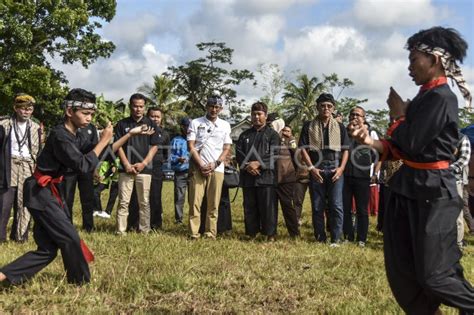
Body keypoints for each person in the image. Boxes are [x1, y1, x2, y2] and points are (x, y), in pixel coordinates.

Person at [349, 26, 474, 313]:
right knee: (403, 274)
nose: (409, 67)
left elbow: (414, 142)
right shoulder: (421, 98)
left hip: (435, 191)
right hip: (408, 186)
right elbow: (399, 146)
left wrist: (397, 116)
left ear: (435, 60)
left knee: (435, 276)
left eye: (414, 59)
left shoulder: (443, 97)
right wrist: (368, 140)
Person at [0, 88, 153, 285]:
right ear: (69, 112)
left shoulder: (76, 135)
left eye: (91, 114)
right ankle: (80, 282)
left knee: (47, 250)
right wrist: (104, 139)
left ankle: (4, 276)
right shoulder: (59, 135)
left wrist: (128, 135)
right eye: (85, 113)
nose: (89, 118)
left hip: (50, 193)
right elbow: (83, 166)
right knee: (70, 238)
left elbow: (103, 153)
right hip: (40, 192)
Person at [298, 93, 349, 246]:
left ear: (333, 108)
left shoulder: (339, 126)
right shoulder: (309, 126)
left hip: (335, 168)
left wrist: (341, 169)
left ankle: (336, 238)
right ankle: (320, 237)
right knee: (317, 205)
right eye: (322, 105)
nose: (326, 108)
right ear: (317, 107)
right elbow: (303, 149)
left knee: (336, 205)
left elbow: (346, 149)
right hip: (317, 168)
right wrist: (311, 168)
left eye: (329, 106)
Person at [114, 93, 160, 235]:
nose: (138, 109)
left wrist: (144, 163)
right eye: (135, 106)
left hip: (144, 169)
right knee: (123, 201)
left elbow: (154, 146)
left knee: (144, 202)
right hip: (125, 168)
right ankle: (120, 231)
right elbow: (118, 146)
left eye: (141, 106)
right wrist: (127, 164)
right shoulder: (122, 124)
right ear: (130, 106)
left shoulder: (150, 124)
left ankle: (144, 230)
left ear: (144, 107)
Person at [187, 95, 232, 239]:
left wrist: (215, 163)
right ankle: (194, 232)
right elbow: (191, 146)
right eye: (211, 106)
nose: (214, 109)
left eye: (217, 107)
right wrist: (201, 164)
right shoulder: (195, 122)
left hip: (217, 169)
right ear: (206, 106)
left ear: (221, 109)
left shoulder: (225, 125)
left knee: (213, 203)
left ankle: (210, 232)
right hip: (198, 167)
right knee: (195, 202)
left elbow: (226, 148)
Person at [0, 94, 42, 243]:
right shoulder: (4, 124)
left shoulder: (36, 127)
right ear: (15, 108)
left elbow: (39, 151)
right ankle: (1, 237)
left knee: (24, 203)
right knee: (5, 201)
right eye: (23, 109)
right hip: (8, 164)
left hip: (27, 165)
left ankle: (20, 236)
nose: (26, 112)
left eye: (29, 109)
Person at [236, 101, 280, 241]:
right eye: (254, 114)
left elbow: (275, 154)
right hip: (248, 177)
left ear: (266, 116)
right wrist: (248, 166)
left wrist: (259, 164)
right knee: (250, 207)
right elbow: (239, 154)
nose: (256, 117)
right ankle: (251, 233)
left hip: (266, 177)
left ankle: (270, 234)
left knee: (268, 207)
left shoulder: (273, 135)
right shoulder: (244, 135)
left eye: (259, 114)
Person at [128, 107, 169, 230]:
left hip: (156, 168)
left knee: (155, 196)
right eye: (152, 116)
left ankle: (155, 224)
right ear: (148, 117)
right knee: (136, 196)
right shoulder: (142, 131)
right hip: (141, 166)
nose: (155, 119)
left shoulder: (165, 134)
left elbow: (166, 153)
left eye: (158, 116)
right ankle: (133, 224)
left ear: (161, 119)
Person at [342, 107, 375, 247]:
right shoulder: (344, 132)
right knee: (345, 207)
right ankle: (348, 236)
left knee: (362, 209)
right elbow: (342, 150)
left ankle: (362, 238)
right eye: (352, 114)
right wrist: (350, 133)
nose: (354, 117)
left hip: (362, 177)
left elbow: (374, 156)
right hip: (345, 176)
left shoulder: (370, 133)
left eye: (358, 115)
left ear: (364, 118)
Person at [62, 122, 98, 232]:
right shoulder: (65, 127)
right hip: (69, 168)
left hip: (86, 168)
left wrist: (95, 169)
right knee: (67, 199)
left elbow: (95, 149)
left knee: (87, 198)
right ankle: (67, 226)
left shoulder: (91, 127)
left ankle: (88, 226)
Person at [275, 125, 300, 238]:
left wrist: (289, 139)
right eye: (283, 130)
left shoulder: (291, 140)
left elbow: (297, 156)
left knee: (287, 205)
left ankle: (294, 233)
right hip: (273, 177)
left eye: (288, 131)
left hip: (286, 177)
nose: (285, 132)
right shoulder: (274, 138)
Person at [450, 134, 472, 247]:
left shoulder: (463, 138)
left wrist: (445, 170)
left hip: (456, 181)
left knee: (458, 213)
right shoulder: (440, 137)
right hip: (439, 179)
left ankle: (458, 243)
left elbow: (463, 160)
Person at [169, 117, 191, 224]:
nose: (189, 128)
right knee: (179, 197)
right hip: (180, 173)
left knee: (194, 197)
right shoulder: (175, 140)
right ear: (182, 127)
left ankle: (194, 218)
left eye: (191, 126)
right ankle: (179, 219)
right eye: (187, 126)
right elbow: (170, 157)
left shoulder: (196, 140)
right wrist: (178, 159)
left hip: (194, 172)